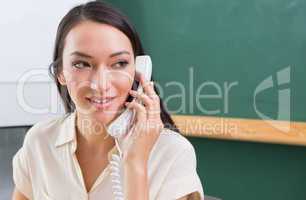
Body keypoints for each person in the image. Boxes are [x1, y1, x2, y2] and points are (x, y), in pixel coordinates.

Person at [11, 1, 204, 199]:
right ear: (60, 72)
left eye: (119, 63)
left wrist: (135, 163)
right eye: (82, 64)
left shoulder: (172, 154)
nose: (101, 84)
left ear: (138, 70)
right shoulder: (39, 141)